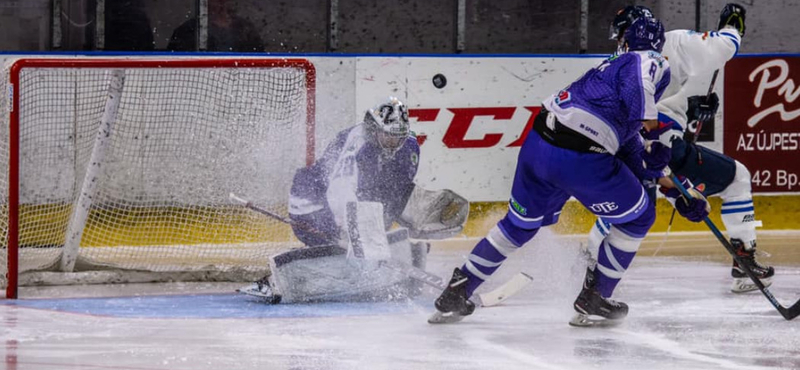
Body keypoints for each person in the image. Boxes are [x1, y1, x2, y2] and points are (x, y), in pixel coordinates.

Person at [431, 17, 688, 326]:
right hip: (579, 155)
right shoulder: (647, 59)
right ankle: (596, 297)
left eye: (622, 35)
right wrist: (652, 132)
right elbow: (642, 88)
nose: (620, 41)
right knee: (640, 217)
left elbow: (636, 161)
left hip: (538, 145)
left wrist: (676, 188)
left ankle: (456, 293)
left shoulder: (606, 75)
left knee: (518, 226)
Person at [589, 3, 773, 294]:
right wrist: (732, 25)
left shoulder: (612, 62)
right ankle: (744, 261)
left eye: (623, 33)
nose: (622, 41)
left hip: (625, 145)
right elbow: (724, 47)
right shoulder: (672, 40)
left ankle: (590, 263)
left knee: (628, 206)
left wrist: (688, 107)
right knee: (737, 178)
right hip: (662, 144)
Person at [238, 97, 469, 304]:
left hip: (349, 203)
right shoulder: (355, 141)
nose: (394, 142)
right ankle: (313, 263)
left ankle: (348, 253)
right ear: (374, 127)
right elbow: (339, 191)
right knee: (347, 244)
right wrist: (352, 233)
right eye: (388, 135)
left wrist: (392, 233)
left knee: (380, 219)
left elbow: (397, 191)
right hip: (312, 204)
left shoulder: (408, 145)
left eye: (398, 136)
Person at [167, 0, 264, 52]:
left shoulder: (246, 29)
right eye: (217, 1)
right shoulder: (187, 30)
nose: (221, 4)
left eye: (223, 1)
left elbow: (257, 55)